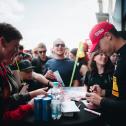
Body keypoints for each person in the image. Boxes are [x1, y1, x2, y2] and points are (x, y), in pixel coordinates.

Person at [0, 23, 47, 125]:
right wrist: (28, 107)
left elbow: (6, 100)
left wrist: (31, 94)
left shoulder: (4, 67)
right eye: (16, 46)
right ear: (3, 42)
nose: (18, 52)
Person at [85, 21, 126, 126]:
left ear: (108, 36)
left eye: (99, 45)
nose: (100, 50)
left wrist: (102, 101)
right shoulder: (120, 56)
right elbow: (121, 94)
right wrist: (102, 92)